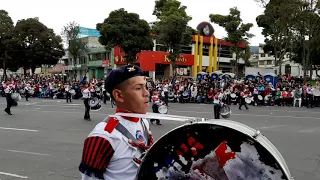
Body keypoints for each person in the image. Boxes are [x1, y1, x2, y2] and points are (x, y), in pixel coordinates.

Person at [79, 65, 153, 180]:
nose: (147, 93)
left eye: (146, 87)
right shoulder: (104, 136)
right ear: (119, 95)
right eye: (138, 88)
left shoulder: (143, 121)